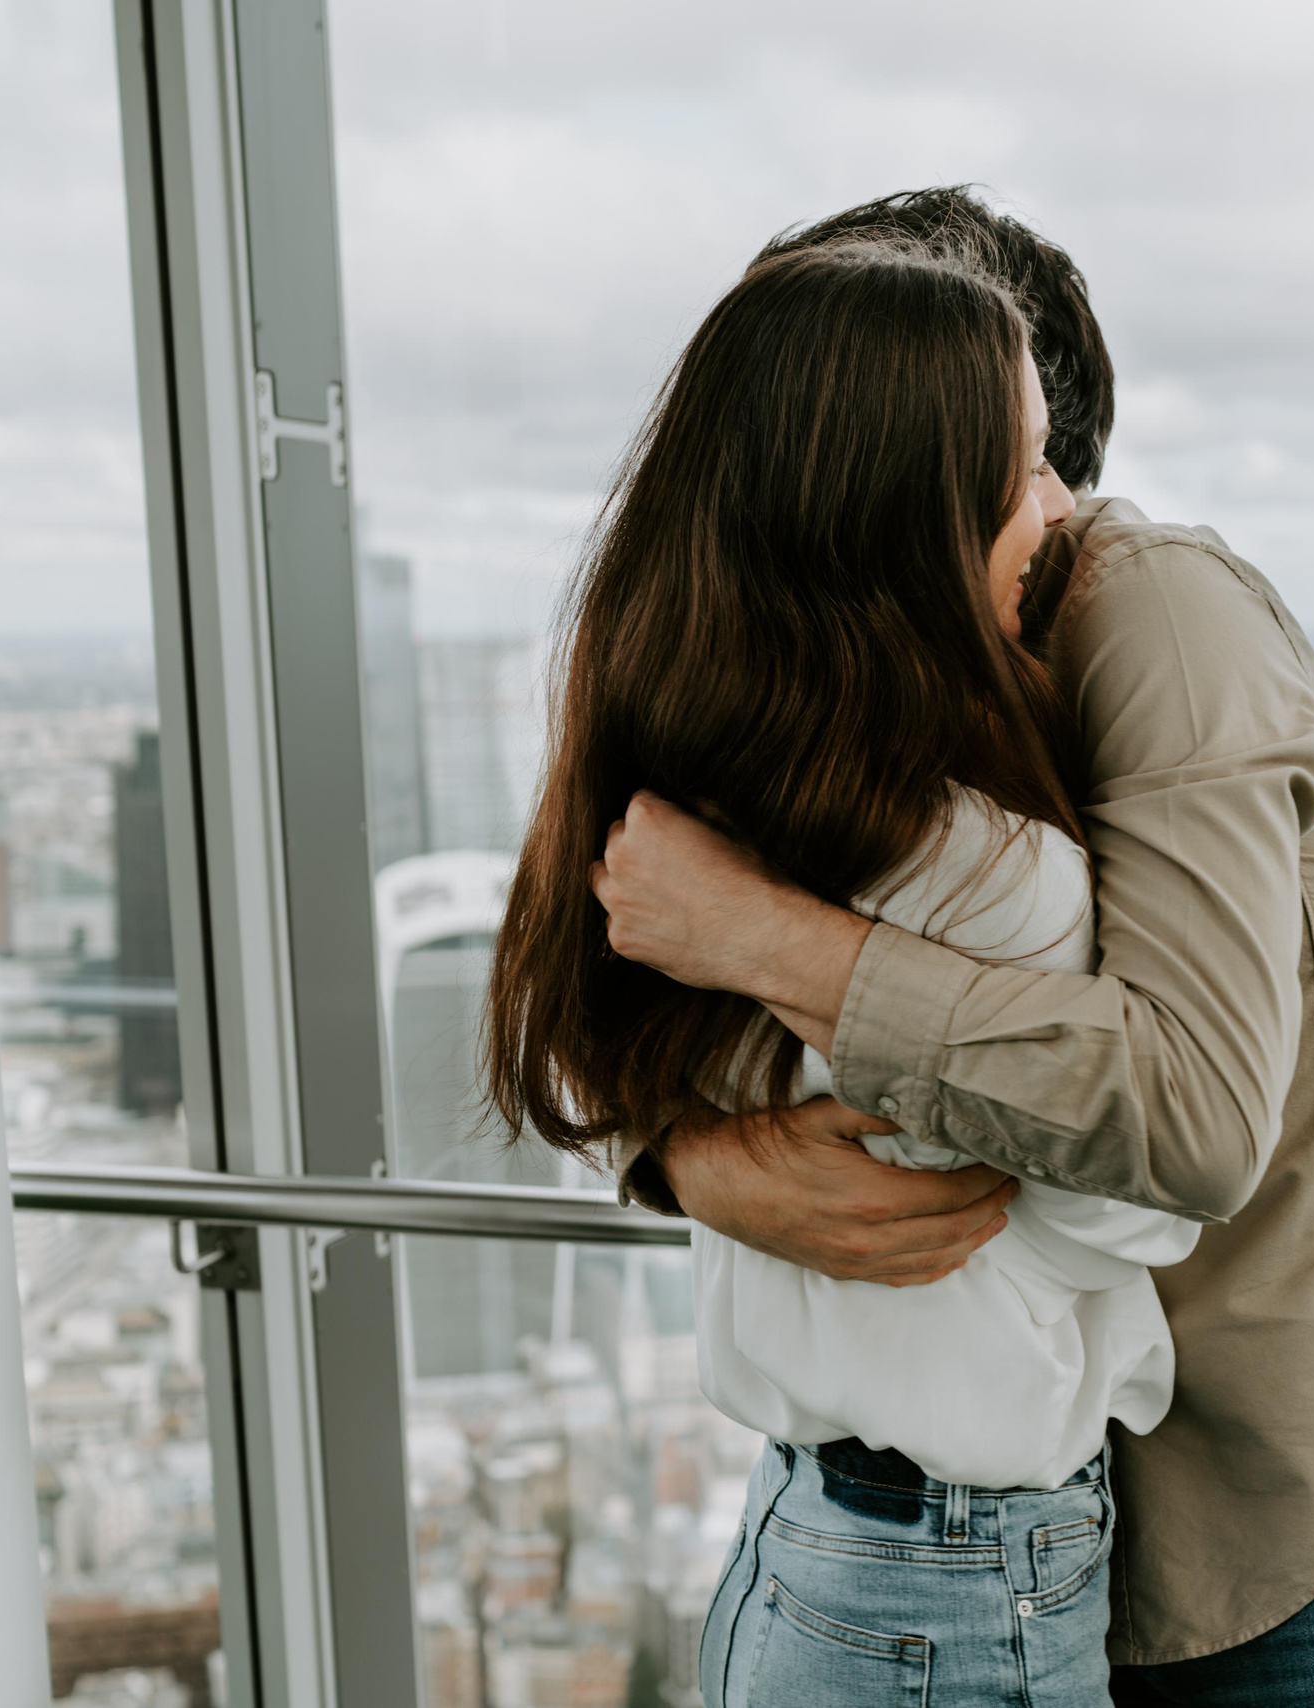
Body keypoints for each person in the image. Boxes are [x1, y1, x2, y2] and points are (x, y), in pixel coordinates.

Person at [591, 189, 1314, 1706]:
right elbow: (620, 966)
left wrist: (770, 937)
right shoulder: (858, 687)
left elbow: (1195, 1121)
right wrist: (684, 1152)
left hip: (1294, 1555)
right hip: (994, 1548)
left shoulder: (1159, 614)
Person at [483, 239, 1204, 1706]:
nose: (1058, 511)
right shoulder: (995, 871)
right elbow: (1128, 1200)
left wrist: (717, 1160)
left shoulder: (681, 807)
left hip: (797, 1549)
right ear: (903, 520)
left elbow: (589, 1061)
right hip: (962, 1577)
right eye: (1019, 470)